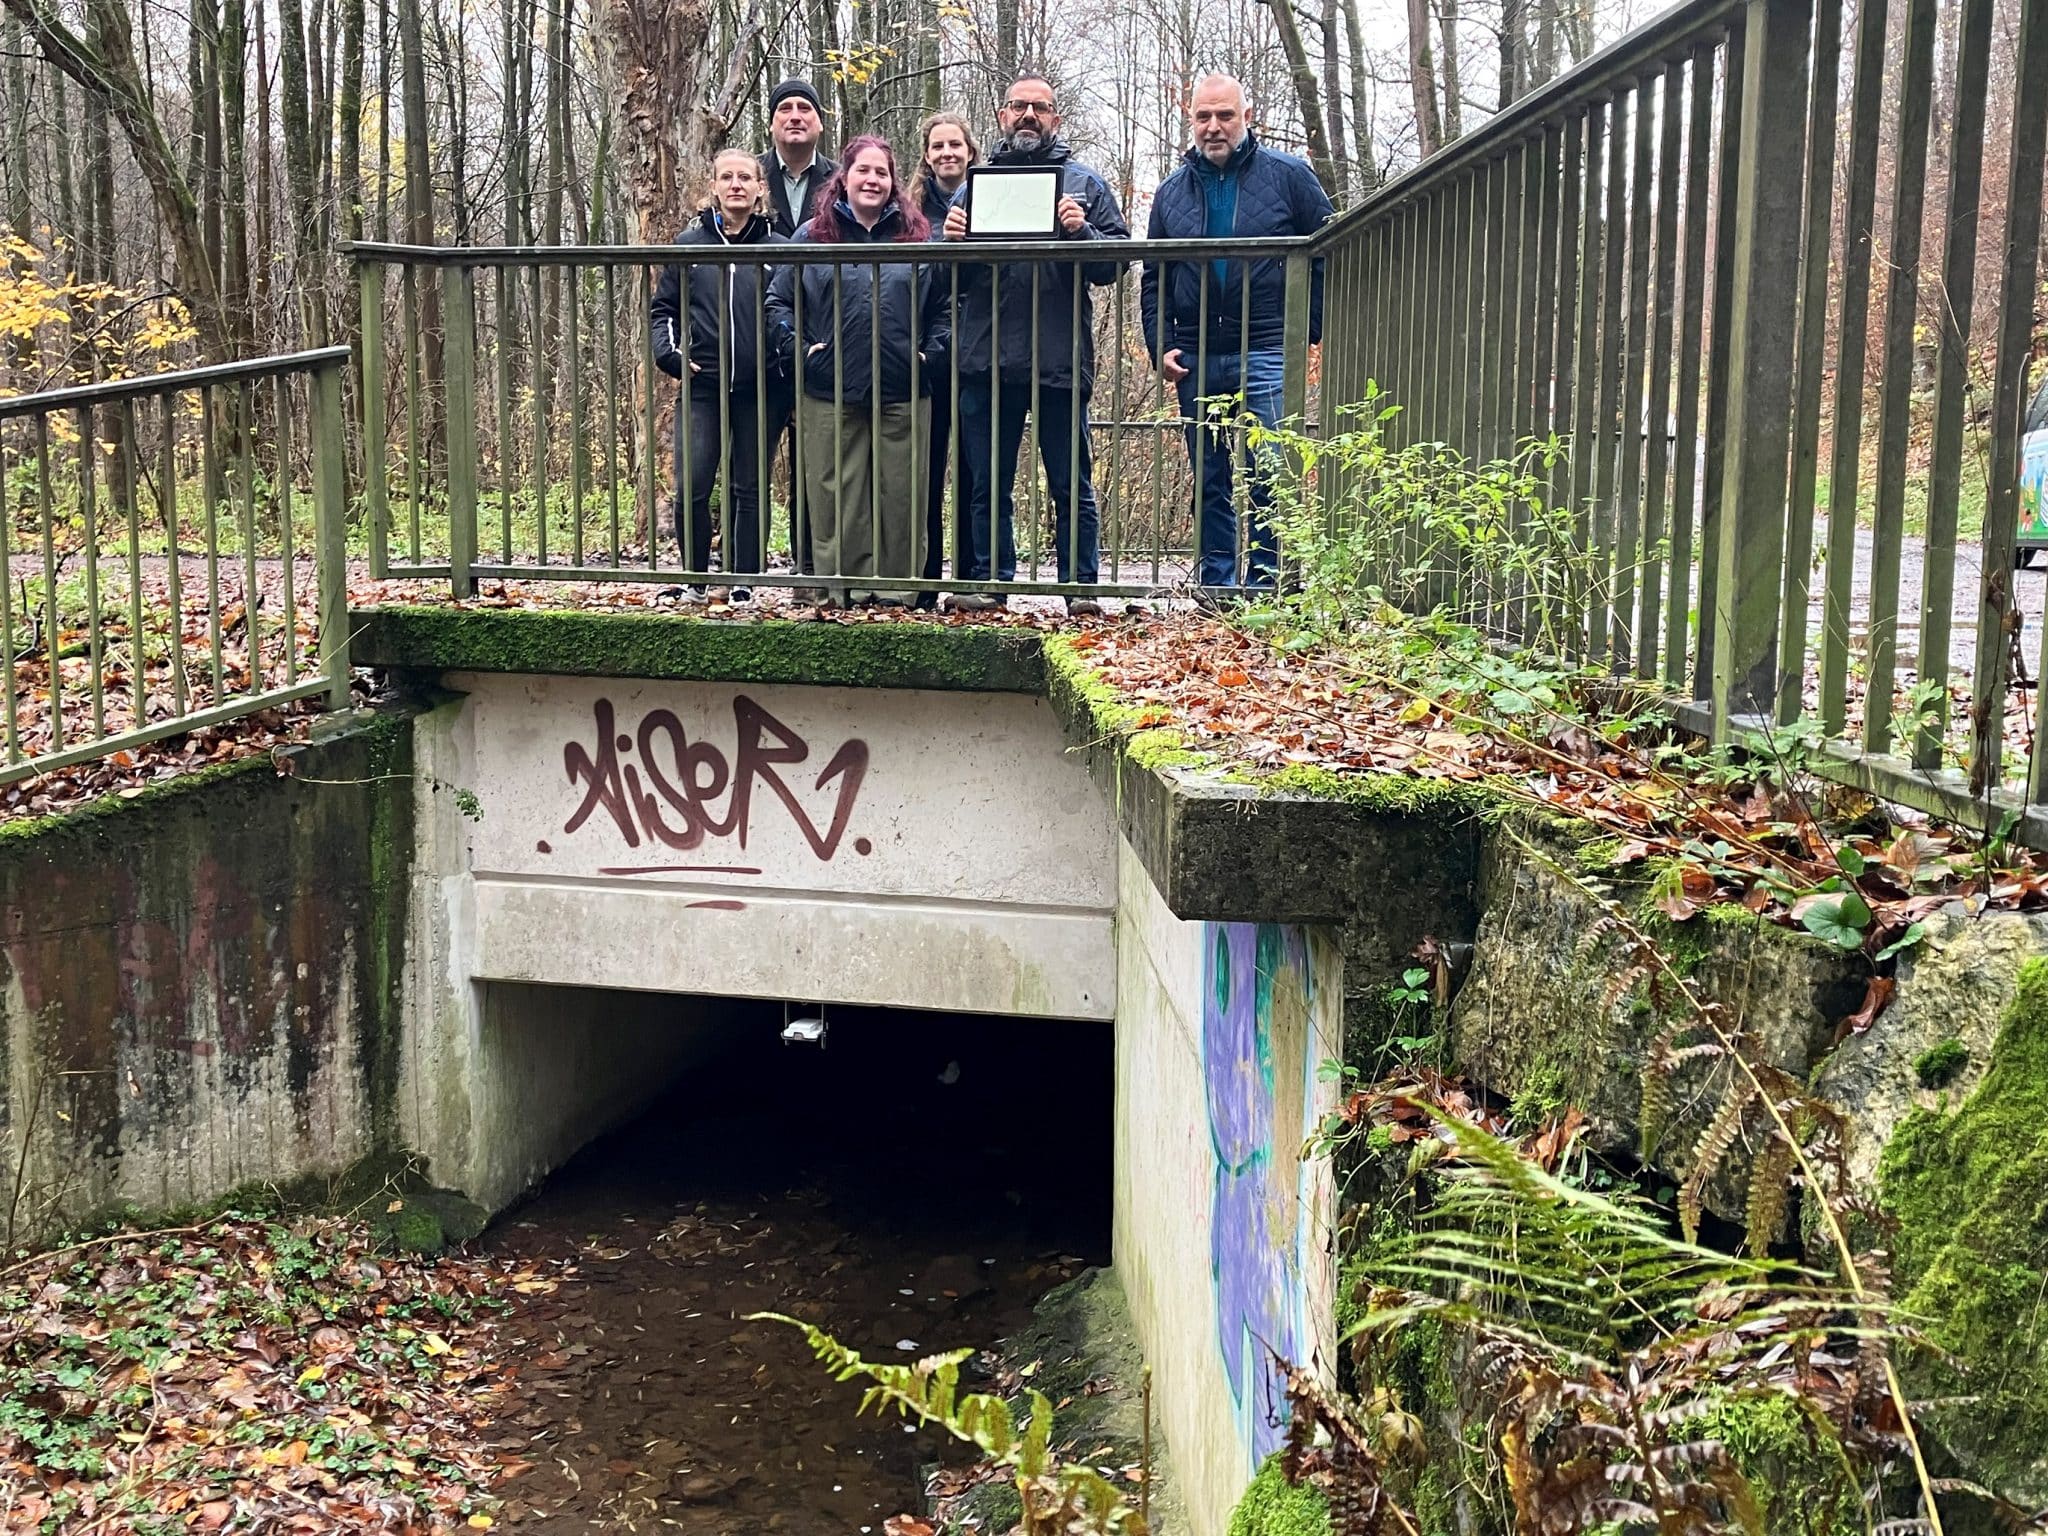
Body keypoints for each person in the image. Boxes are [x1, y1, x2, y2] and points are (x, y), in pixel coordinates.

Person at [941, 74, 1128, 615]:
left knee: (1071, 483)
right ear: (1001, 115)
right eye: (1018, 106)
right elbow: (943, 282)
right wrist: (948, 242)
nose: (1028, 115)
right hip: (985, 360)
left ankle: (1080, 589)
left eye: (1039, 108)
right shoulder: (973, 188)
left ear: (1055, 118)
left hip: (1059, 360)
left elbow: (1113, 264)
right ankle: (988, 585)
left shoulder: (1085, 184)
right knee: (986, 483)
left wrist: (1082, 231)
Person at [1141, 73, 1333, 592]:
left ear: (1247, 118)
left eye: (1225, 115)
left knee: (1269, 470)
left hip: (1268, 346)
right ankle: (1217, 585)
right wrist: (1160, 344)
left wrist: (1306, 328)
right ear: (1191, 118)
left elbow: (1327, 251)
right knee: (1209, 476)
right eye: (1204, 116)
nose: (1214, 126)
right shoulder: (1171, 193)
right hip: (1198, 352)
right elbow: (1155, 275)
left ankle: (1268, 584)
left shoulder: (1290, 176)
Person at [765, 136, 949, 608]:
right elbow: (778, 302)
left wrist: (929, 354)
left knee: (902, 495)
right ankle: (841, 588)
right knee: (834, 494)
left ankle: (897, 594)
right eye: (863, 171)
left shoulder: (919, 237)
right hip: (829, 388)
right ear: (843, 178)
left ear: (893, 183)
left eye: (882, 172)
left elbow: (944, 308)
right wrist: (801, 350)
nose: (872, 180)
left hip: (904, 386)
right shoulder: (812, 236)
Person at [649, 149, 790, 604]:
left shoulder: (779, 249)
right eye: (726, 177)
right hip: (703, 384)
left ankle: (747, 580)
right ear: (713, 186)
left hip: (762, 387)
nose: (736, 185)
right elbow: (663, 310)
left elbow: (795, 313)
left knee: (748, 486)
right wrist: (669, 356)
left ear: (760, 188)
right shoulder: (689, 244)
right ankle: (695, 579)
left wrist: (786, 359)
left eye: (745, 177)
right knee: (692, 483)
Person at [908, 111, 982, 608]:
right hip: (928, 356)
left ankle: (976, 577)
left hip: (979, 350)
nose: (947, 153)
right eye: (937, 146)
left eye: (955, 144)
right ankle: (926, 578)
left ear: (971, 151)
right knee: (927, 468)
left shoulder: (989, 199)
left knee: (977, 470)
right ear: (927, 155)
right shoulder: (910, 212)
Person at [760, 79, 836, 237]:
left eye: (804, 108)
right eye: (785, 109)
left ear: (820, 123)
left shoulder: (842, 179)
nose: (795, 117)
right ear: (771, 124)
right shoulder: (747, 177)